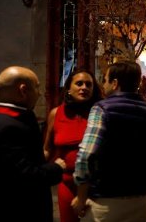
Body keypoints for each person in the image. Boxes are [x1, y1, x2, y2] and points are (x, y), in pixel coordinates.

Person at [71, 61, 146, 221]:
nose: (103, 85)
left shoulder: (102, 109)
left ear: (115, 83)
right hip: (142, 201)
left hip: (106, 200)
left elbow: (86, 156)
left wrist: (81, 196)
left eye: (105, 80)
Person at [0, 66, 66, 222]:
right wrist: (56, 167)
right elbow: (26, 179)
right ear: (23, 90)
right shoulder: (10, 128)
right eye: (37, 87)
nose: (39, 93)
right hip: (16, 214)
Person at [43, 68, 103, 222]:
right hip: (67, 183)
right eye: (79, 83)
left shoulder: (100, 113)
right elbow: (47, 148)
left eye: (89, 85)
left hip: (96, 184)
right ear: (69, 89)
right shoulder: (56, 113)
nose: (84, 87)